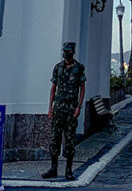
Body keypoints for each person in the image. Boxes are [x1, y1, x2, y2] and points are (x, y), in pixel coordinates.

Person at [42, 42, 87, 180]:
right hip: (58, 109)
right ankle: (53, 168)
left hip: (71, 109)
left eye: (68, 51)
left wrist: (79, 106)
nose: (66, 53)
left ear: (73, 52)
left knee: (70, 140)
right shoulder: (58, 68)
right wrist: (50, 107)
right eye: (64, 51)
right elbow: (53, 88)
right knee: (55, 139)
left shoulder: (79, 68)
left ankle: (69, 169)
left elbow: (82, 88)